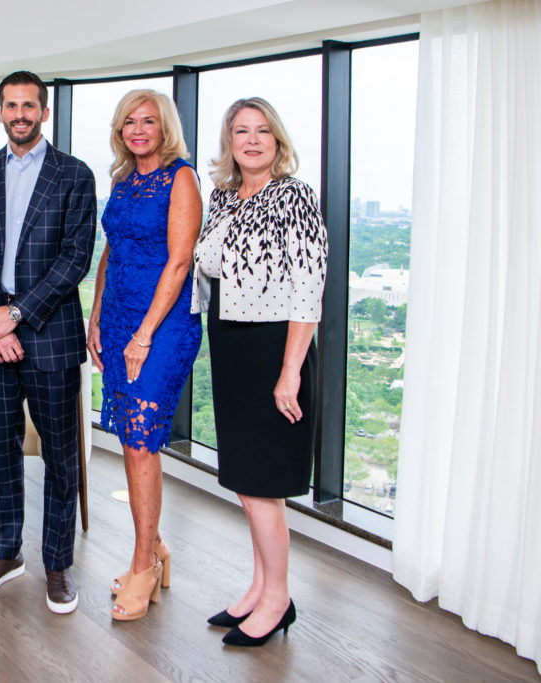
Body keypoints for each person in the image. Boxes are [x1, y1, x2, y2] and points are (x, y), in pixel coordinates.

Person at [192, 97, 327, 646]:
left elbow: (308, 286)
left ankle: (279, 599)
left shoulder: (294, 194)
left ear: (277, 140)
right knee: (248, 483)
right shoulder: (224, 198)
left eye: (262, 131)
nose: (251, 140)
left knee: (264, 487)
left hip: (275, 348)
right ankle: (259, 587)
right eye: (241, 131)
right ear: (230, 141)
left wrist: (290, 370)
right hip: (231, 346)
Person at [0, 71, 96, 614]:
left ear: (44, 112)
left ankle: (58, 565)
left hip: (51, 335)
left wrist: (16, 315)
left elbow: (75, 259)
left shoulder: (75, 175)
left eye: (29, 105)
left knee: (62, 458)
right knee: (3, 447)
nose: (20, 113)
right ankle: (5, 552)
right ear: (0, 112)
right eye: (11, 105)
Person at [86, 89, 203, 621]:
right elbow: (111, 249)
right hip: (116, 318)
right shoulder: (120, 181)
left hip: (164, 324)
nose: (137, 130)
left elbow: (179, 264)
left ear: (165, 127)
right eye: (128, 121)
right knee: (133, 443)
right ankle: (153, 550)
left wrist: (143, 335)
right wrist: (96, 315)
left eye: (148, 121)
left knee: (139, 441)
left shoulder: (182, 177)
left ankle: (143, 563)